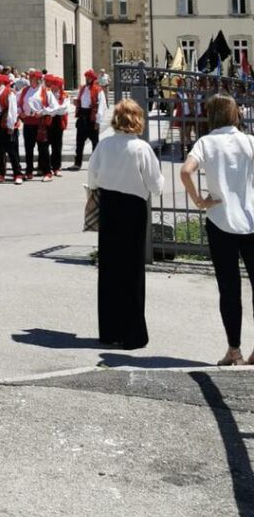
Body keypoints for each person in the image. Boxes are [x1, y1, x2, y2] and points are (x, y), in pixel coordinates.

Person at [180, 94, 254, 366]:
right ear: (235, 114)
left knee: (229, 287)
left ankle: (234, 350)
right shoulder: (249, 141)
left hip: (220, 219)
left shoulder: (206, 142)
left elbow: (186, 171)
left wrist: (200, 200)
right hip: (251, 218)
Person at [88, 98, 164, 350]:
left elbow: (93, 177)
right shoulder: (141, 148)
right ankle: (133, 333)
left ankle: (109, 330)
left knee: (109, 268)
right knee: (132, 270)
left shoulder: (104, 145)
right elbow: (156, 185)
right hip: (133, 208)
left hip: (109, 205)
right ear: (137, 119)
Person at [0, 73, 23, 183]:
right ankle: (1, 173)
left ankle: (17, 173)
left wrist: (10, 125)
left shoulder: (9, 92)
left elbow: (12, 111)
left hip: (6, 121)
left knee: (11, 150)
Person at [73, 69, 107, 170]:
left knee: (95, 142)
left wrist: (98, 121)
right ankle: (77, 163)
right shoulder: (83, 88)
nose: (87, 79)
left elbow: (102, 105)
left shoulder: (98, 89)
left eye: (89, 77)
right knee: (79, 142)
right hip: (82, 116)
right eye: (86, 77)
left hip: (92, 117)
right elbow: (79, 100)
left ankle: (95, 164)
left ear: (93, 78)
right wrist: (76, 102)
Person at [17, 70, 42, 179]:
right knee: (29, 148)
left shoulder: (44, 91)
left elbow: (49, 105)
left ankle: (42, 168)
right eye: (30, 78)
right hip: (28, 122)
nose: (31, 80)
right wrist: (20, 112)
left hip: (40, 123)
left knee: (42, 147)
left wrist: (41, 112)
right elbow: (17, 103)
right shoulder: (24, 91)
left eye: (33, 79)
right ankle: (29, 170)